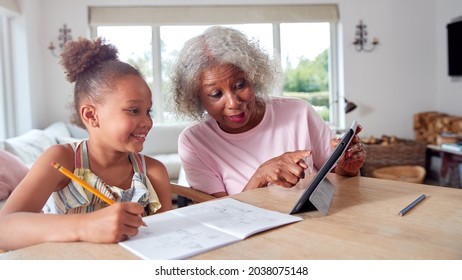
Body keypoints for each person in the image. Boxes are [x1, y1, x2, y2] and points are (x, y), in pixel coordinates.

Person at [0, 37, 172, 250]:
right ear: (91, 115)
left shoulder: (154, 172)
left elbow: (169, 241)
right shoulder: (61, 159)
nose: (147, 122)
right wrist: (86, 226)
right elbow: (4, 228)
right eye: (134, 110)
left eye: (148, 111)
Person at [170, 26, 367, 198]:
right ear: (197, 99)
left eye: (240, 84)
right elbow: (218, 217)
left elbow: (336, 185)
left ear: (254, 76)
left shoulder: (298, 112)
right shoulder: (194, 141)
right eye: (215, 94)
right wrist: (261, 177)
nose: (233, 102)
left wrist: (347, 170)